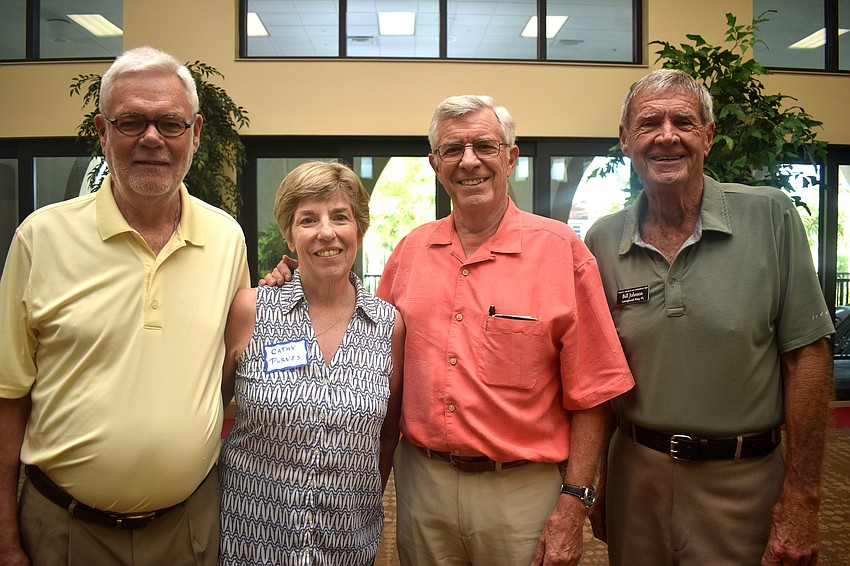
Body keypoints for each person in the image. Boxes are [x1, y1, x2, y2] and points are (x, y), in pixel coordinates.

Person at [265, 95, 634, 566]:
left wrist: (574, 501)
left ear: (511, 157)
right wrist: (292, 282)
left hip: (522, 494)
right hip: (423, 488)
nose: (469, 161)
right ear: (436, 163)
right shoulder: (411, 252)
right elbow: (355, 329)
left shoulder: (561, 252)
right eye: (453, 150)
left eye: (484, 145)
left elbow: (594, 390)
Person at [0, 46, 249, 565]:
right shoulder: (40, 239)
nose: (152, 138)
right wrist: (5, 536)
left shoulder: (227, 239)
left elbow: (235, 365)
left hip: (188, 529)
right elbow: (8, 396)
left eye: (170, 123)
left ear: (196, 133)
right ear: (102, 131)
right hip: (65, 531)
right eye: (131, 121)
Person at [584, 69, 835, 566]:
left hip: (743, 484)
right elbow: (604, 378)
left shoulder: (770, 217)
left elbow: (807, 358)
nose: (667, 135)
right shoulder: (601, 241)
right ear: (625, 140)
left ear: (710, 135)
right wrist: (603, 485)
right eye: (649, 122)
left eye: (684, 121)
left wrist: (803, 498)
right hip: (637, 478)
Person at [218, 161, 405, 565]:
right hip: (251, 538)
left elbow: (388, 435)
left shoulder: (387, 325)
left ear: (359, 229)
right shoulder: (250, 309)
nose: (326, 232)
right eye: (308, 219)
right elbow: (208, 411)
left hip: (347, 544)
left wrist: (357, 500)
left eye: (340, 217)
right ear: (289, 233)